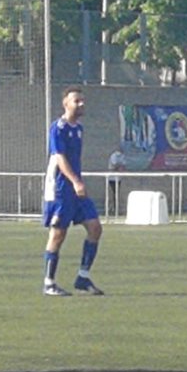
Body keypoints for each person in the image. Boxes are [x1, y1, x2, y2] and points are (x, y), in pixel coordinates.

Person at [42, 86, 104, 296]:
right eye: (77, 101)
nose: (81, 104)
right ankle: (49, 283)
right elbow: (59, 158)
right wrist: (76, 182)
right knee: (58, 233)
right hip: (60, 188)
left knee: (95, 228)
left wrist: (78, 183)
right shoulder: (57, 128)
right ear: (65, 104)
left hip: (76, 189)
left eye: (82, 100)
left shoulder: (79, 129)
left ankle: (82, 278)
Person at [106, 145, 127, 217]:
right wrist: (118, 167)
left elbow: (123, 165)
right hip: (111, 178)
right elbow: (114, 165)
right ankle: (112, 208)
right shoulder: (114, 156)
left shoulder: (122, 156)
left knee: (116, 193)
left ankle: (115, 208)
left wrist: (120, 167)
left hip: (118, 178)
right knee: (113, 193)